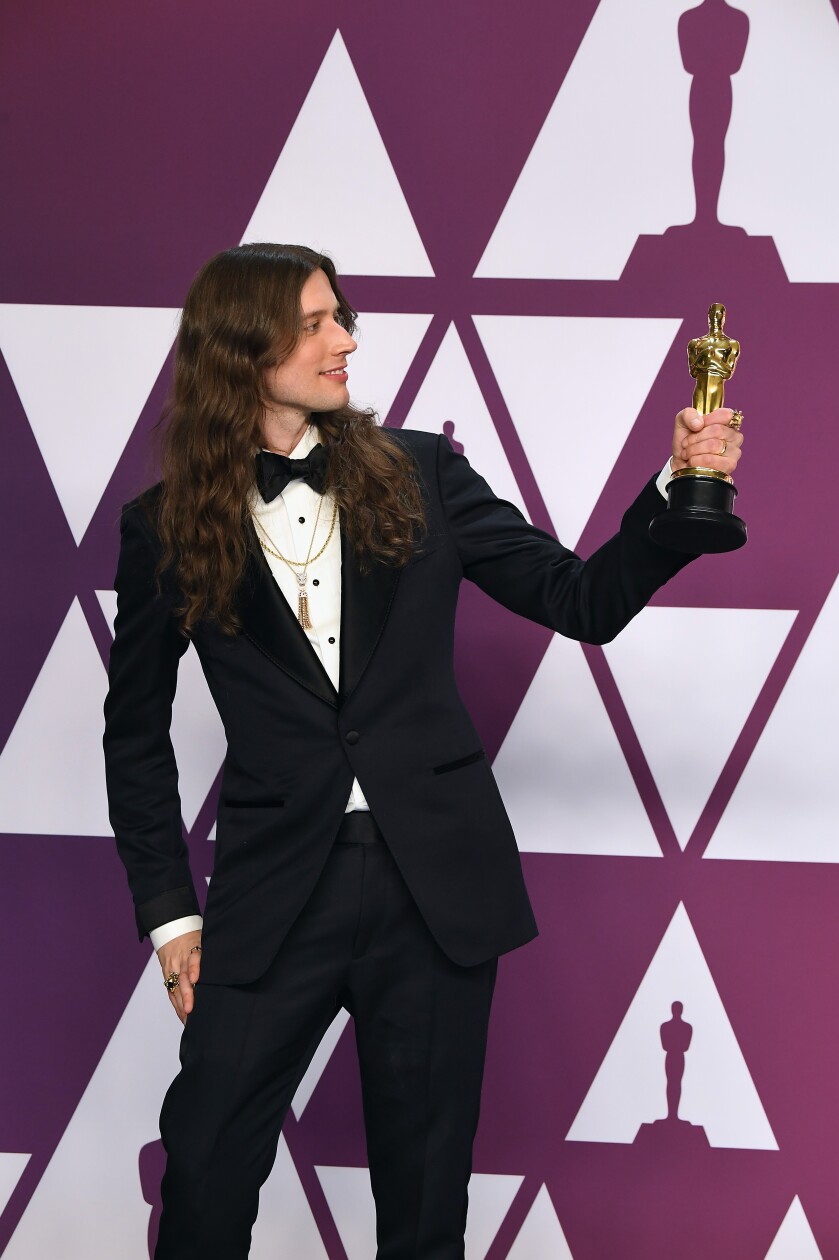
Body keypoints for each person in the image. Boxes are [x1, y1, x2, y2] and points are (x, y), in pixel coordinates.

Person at [103, 242, 744, 1259]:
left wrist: (677, 488)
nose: (346, 339)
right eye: (315, 323)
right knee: (206, 1177)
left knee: (424, 1211)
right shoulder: (166, 525)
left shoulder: (423, 473)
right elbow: (133, 732)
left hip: (435, 891)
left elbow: (579, 600)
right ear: (241, 348)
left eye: (340, 316)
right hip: (274, 895)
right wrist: (170, 914)